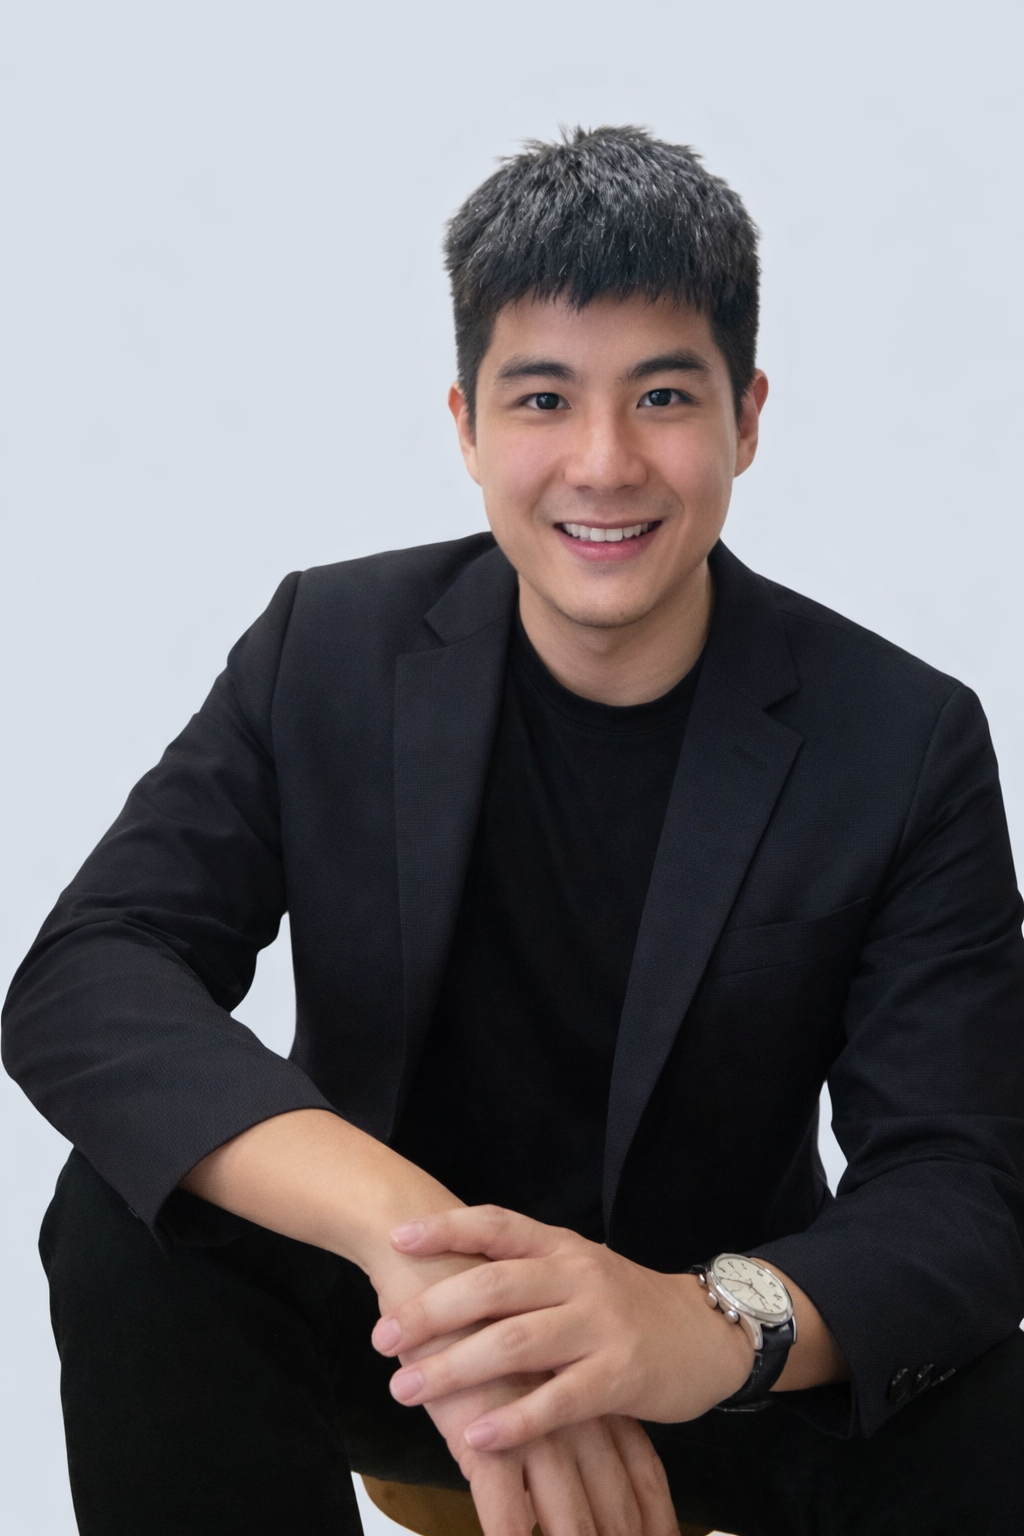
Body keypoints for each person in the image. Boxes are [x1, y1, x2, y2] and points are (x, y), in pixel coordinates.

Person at [4, 125, 1024, 1536]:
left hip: (718, 1363)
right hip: (396, 1335)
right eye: (543, 398)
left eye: (664, 395)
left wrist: (695, 1325)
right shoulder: (328, 649)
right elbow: (91, 975)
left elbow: (964, 1186)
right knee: (125, 1220)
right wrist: (413, 1244)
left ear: (748, 417)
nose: (603, 463)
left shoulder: (903, 739)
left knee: (989, 1386)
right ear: (467, 424)